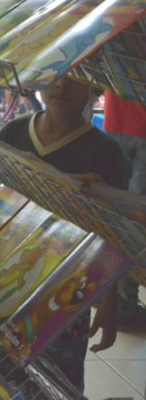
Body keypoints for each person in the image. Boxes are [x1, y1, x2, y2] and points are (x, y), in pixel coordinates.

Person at [0, 77, 125, 392]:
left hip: (70, 285)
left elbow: (114, 230)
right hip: (9, 276)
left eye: (77, 79)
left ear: (96, 90)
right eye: (56, 73)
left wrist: (110, 301)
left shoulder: (105, 151)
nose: (62, 84)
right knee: (1, 367)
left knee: (58, 377)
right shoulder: (14, 131)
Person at [103, 90, 146, 332]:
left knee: (117, 214)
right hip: (122, 124)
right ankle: (123, 299)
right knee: (133, 218)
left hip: (116, 120)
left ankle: (118, 294)